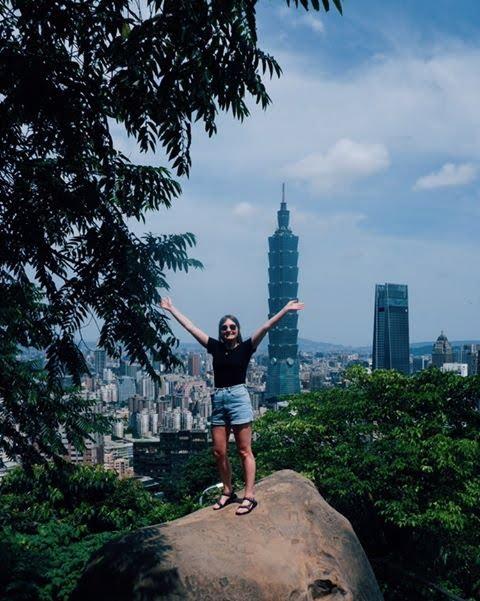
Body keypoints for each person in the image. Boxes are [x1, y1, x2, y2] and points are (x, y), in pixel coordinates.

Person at [160, 297, 305, 515]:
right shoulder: (215, 347)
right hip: (218, 399)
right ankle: (227, 491)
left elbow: (266, 326)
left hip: (238, 397)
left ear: (238, 330)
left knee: (244, 450)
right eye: (224, 327)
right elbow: (190, 328)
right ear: (220, 332)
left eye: (232, 327)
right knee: (219, 451)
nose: (228, 330)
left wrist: (285, 309)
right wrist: (171, 308)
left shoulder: (247, 347)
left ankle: (249, 496)